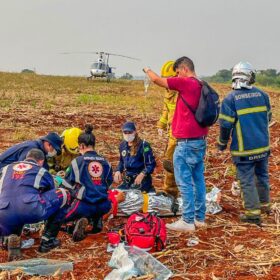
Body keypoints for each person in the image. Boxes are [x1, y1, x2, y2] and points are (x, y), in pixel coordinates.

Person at [144, 56, 208, 232]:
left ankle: (187, 221)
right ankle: (199, 218)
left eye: (178, 72)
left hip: (185, 143)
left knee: (184, 182)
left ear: (184, 69)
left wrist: (147, 69)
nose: (177, 76)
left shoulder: (186, 83)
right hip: (199, 141)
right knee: (198, 180)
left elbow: (157, 80)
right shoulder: (201, 84)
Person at [40, 124, 115, 248]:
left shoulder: (78, 161)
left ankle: (47, 241)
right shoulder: (106, 162)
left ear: (82, 146)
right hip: (104, 205)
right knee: (94, 199)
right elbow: (108, 182)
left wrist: (58, 180)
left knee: (57, 215)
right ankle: (95, 222)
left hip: (85, 204)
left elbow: (68, 183)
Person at [217, 62, 272, 225]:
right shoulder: (262, 95)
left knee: (246, 179)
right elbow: (268, 118)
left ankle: (253, 214)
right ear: (249, 77)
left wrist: (222, 143)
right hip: (263, 146)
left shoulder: (230, 98)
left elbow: (225, 126)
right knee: (262, 176)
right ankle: (265, 206)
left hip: (244, 150)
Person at [0, 149, 69, 261]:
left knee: (11, 205)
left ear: (26, 158)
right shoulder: (41, 171)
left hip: (3, 212)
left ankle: (6, 238)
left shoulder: (5, 168)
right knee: (63, 194)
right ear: (41, 161)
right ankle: (47, 241)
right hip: (29, 209)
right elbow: (51, 193)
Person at [114, 121, 156, 193]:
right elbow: (121, 161)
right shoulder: (122, 145)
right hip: (128, 179)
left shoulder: (144, 145)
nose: (127, 135)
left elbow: (151, 164)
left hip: (141, 180)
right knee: (116, 194)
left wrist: (142, 174)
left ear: (135, 132)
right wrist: (118, 170)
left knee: (133, 198)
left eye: (130, 132)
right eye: (125, 132)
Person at [157, 61, 179, 198]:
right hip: (173, 132)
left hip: (181, 134)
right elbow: (166, 110)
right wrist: (161, 125)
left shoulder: (181, 92)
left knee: (175, 162)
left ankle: (174, 191)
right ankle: (170, 191)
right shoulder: (169, 92)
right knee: (169, 162)